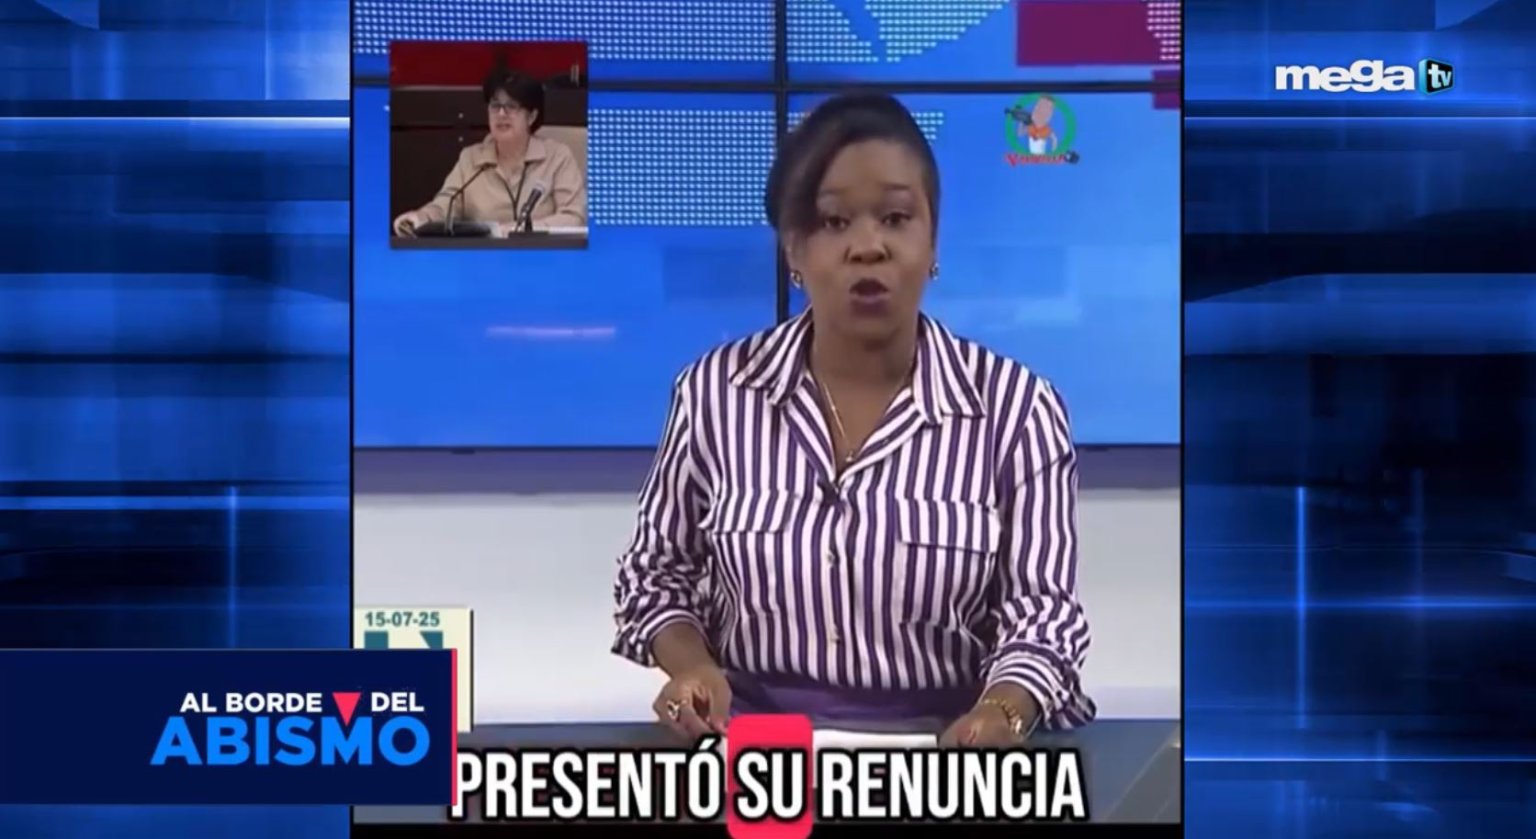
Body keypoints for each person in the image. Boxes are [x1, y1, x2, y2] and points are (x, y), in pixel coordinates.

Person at [611, 93, 1095, 747]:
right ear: (793, 248)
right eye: (834, 222)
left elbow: (1043, 617)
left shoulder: (1018, 409)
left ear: (932, 239)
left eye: (896, 218)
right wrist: (693, 668)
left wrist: (1004, 711)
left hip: (946, 751)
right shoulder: (715, 393)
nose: (868, 247)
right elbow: (654, 575)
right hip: (757, 752)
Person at [393, 69, 587, 236]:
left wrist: (518, 230)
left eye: (511, 106)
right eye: (495, 106)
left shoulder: (557, 157)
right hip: (483, 260)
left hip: (544, 258)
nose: (501, 114)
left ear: (532, 116)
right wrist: (421, 217)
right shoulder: (471, 159)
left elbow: (574, 217)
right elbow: (445, 205)